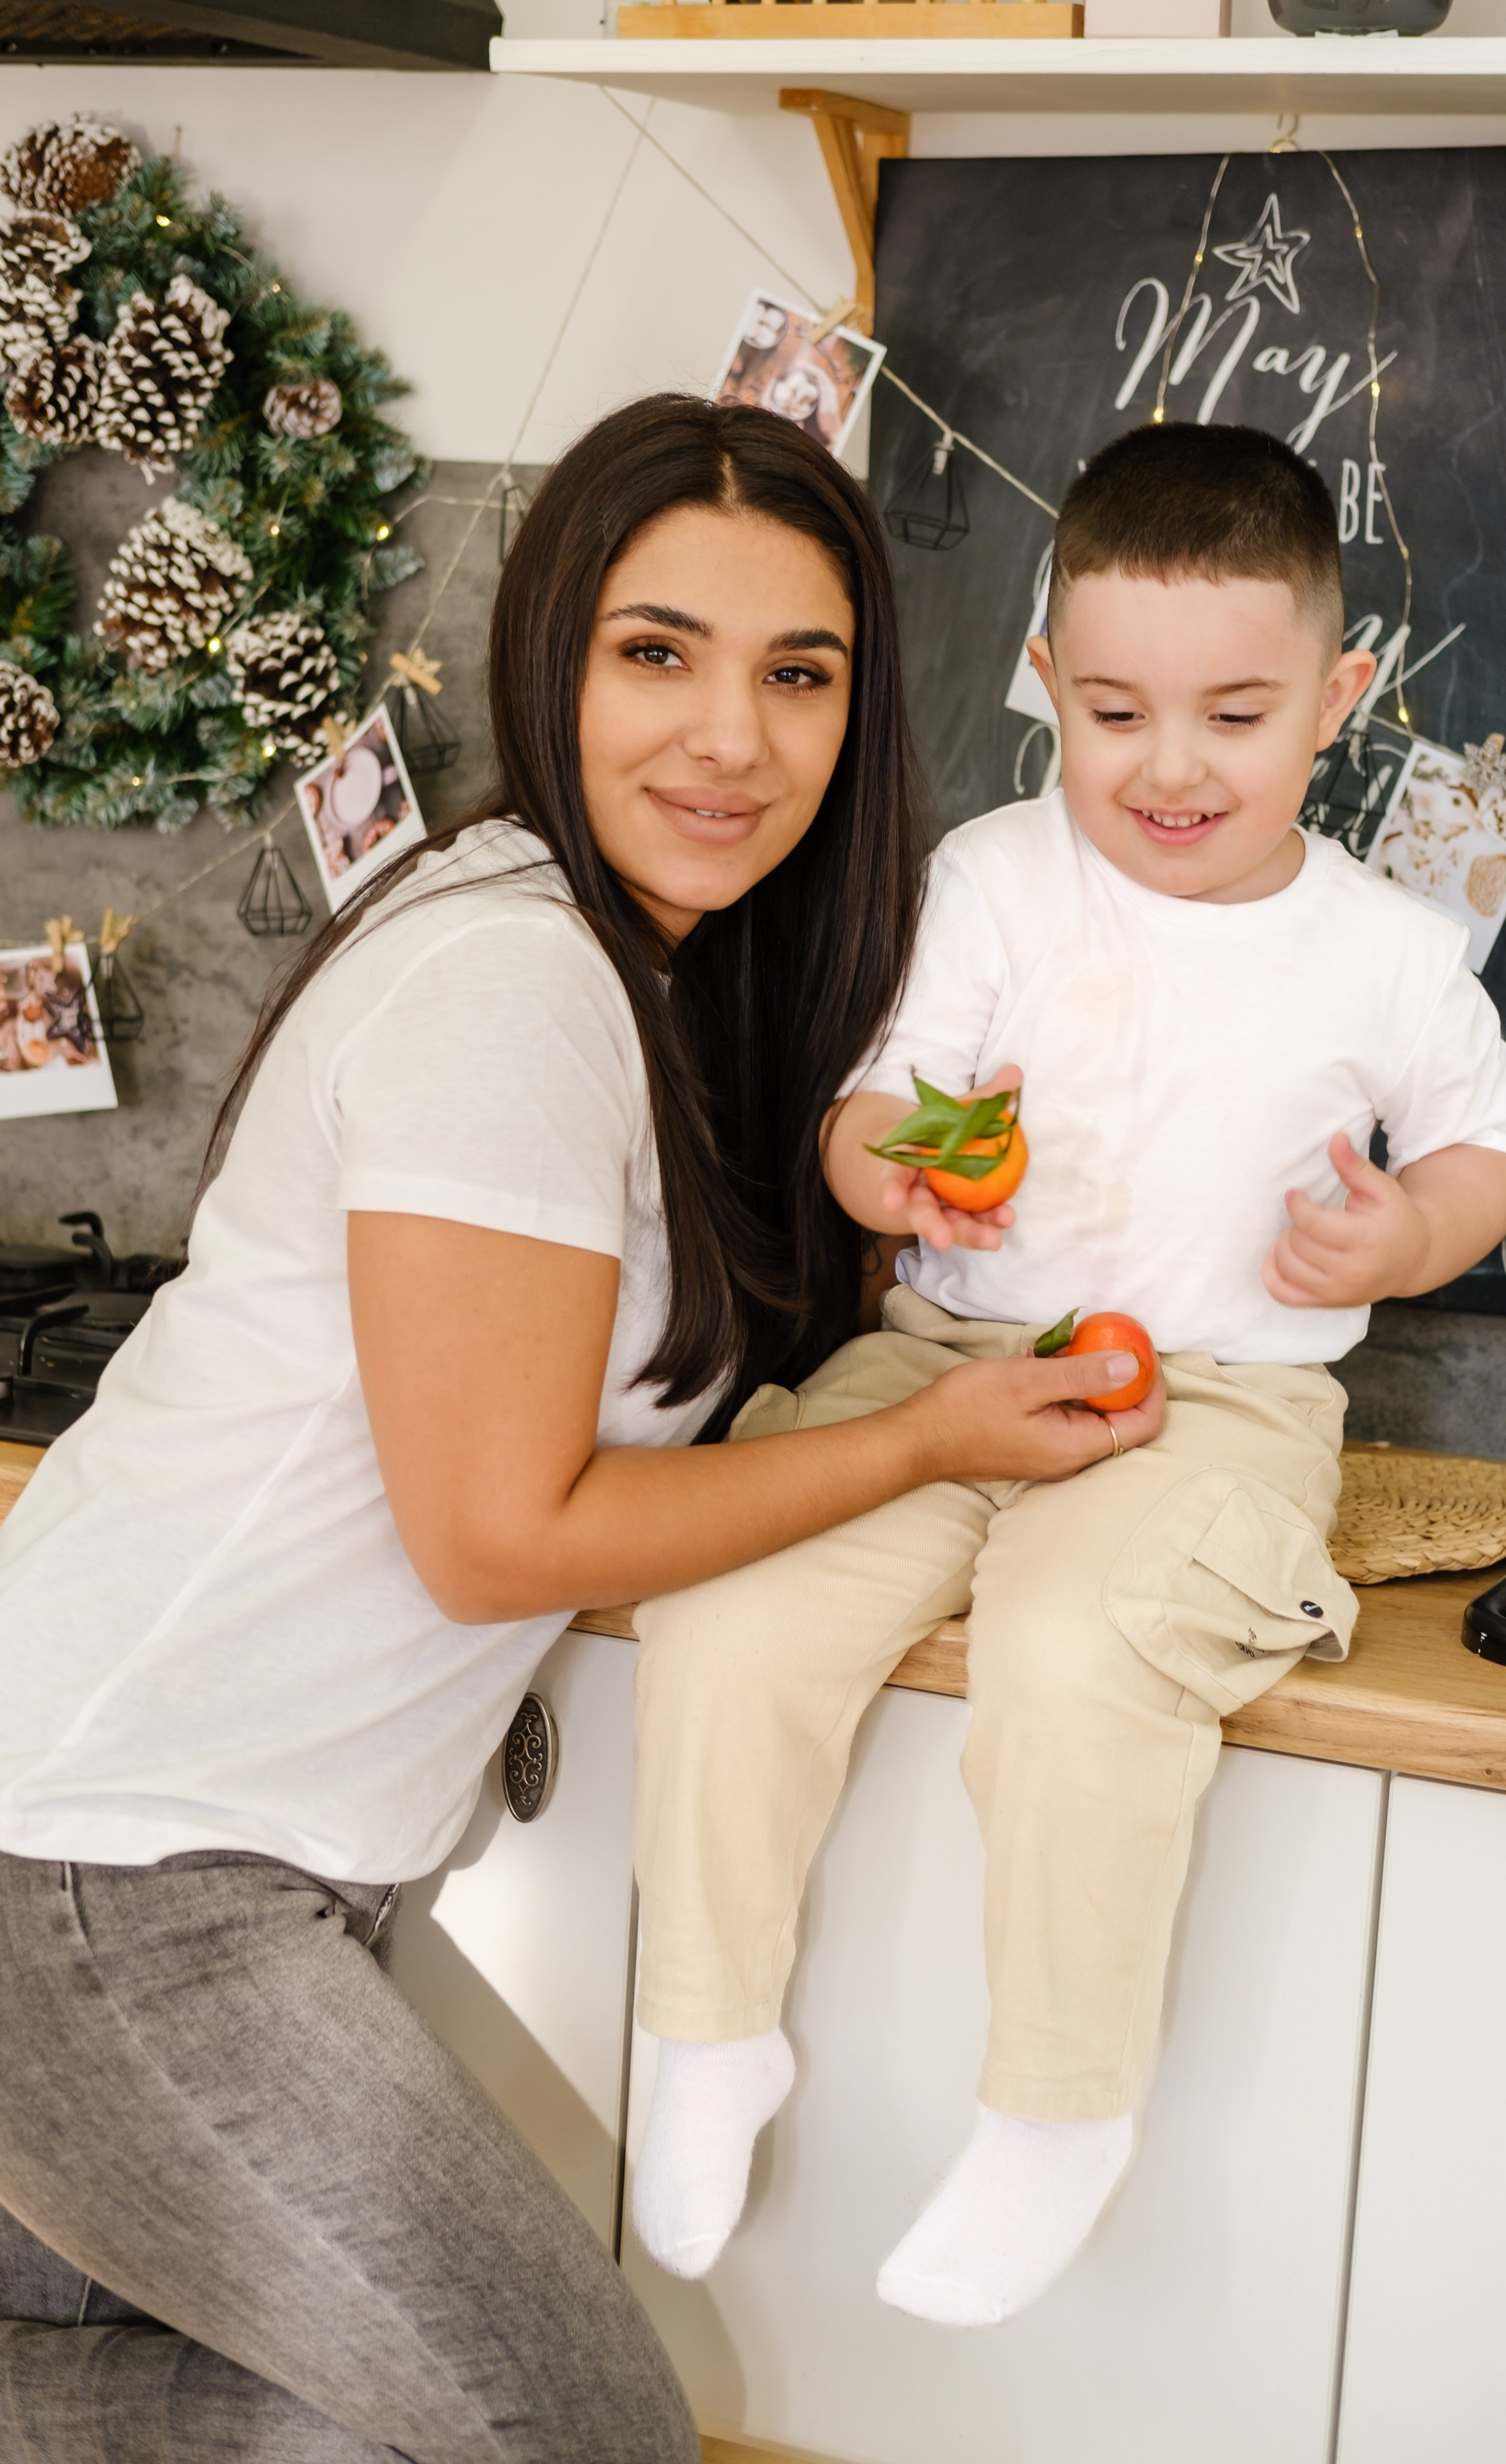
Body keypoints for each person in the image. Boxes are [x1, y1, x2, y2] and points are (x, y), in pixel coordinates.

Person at [0, 395, 1137, 2461]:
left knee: (344, 2431)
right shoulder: (515, 978)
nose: (732, 736)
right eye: (657, 652)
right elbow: (497, 1531)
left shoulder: (626, 975)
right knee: (575, 2433)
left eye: (801, 674)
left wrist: (898, 1222)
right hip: (101, 1866)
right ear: (549, 652)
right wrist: (930, 1439)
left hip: (170, 1853)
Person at [627, 421, 1506, 2328]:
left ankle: (1058, 2108)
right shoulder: (990, 873)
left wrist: (1402, 1239)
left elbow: (1489, 1148)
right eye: (1117, 708)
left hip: (1217, 1404)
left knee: (1073, 1650)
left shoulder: (1384, 952)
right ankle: (704, 2031)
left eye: (1234, 711)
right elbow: (879, 1105)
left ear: (1341, 697)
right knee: (724, 1614)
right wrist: (877, 1156)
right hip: (949, 1355)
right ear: (1046, 678)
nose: (1170, 765)